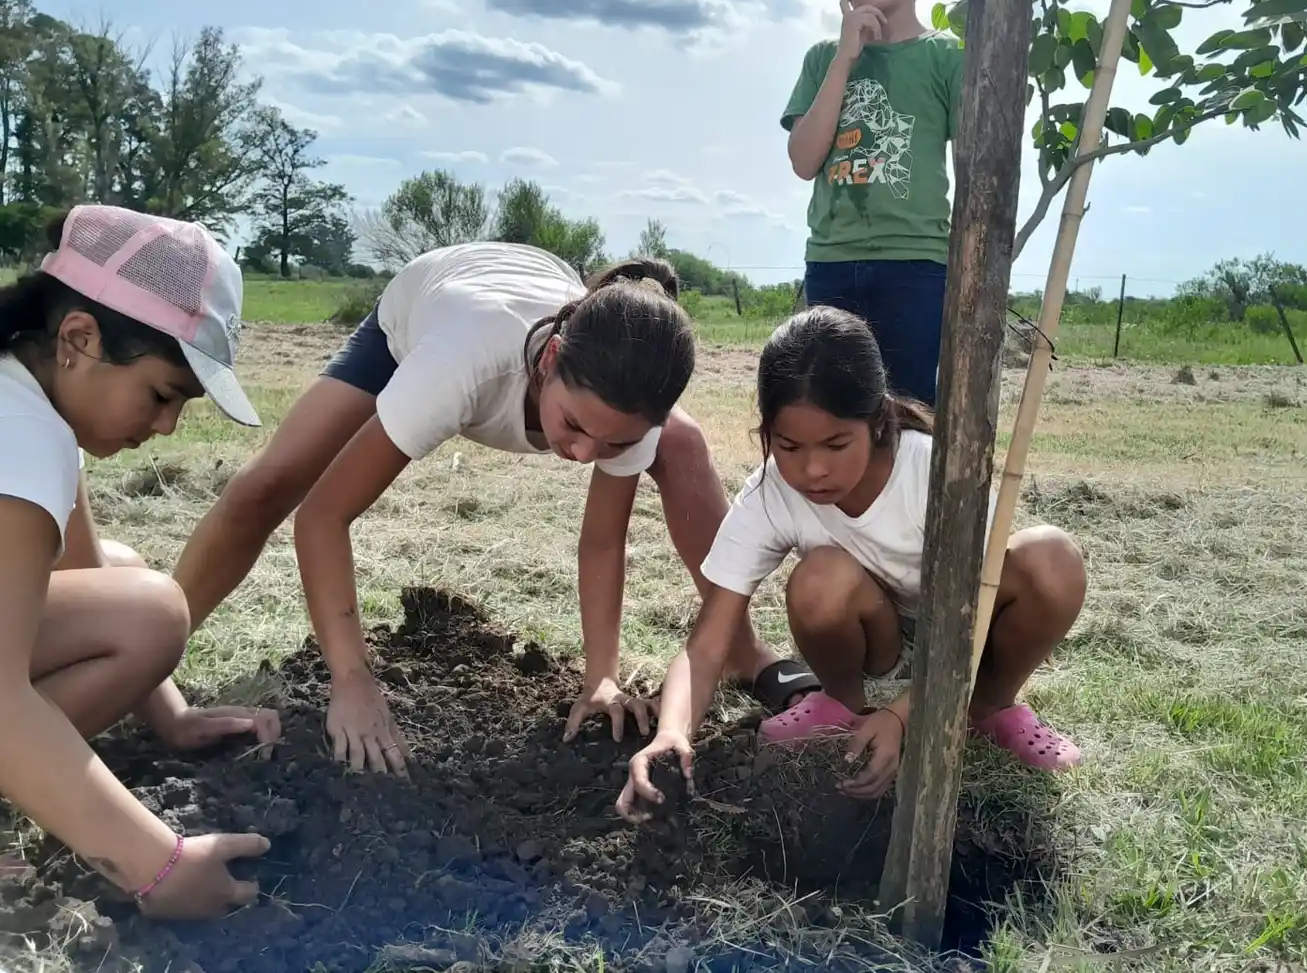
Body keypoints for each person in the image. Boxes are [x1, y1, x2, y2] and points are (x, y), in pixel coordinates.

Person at [172, 241, 816, 777]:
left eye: (614, 443)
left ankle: (741, 651)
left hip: (531, 286)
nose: (583, 452)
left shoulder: (627, 413)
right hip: (431, 305)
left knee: (685, 444)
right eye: (574, 425)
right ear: (554, 359)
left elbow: (601, 542)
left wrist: (601, 678)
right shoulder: (456, 368)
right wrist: (351, 677)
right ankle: (153, 650)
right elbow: (322, 516)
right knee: (270, 485)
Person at [617, 307, 1086, 820]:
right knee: (819, 578)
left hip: (965, 629)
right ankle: (842, 704)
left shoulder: (933, 472)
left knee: (1051, 558)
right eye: (790, 446)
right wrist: (671, 731)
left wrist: (903, 716)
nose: (813, 470)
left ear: (878, 420)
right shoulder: (773, 495)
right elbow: (707, 645)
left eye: (836, 444)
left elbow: (967, 621)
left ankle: (988, 706)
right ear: (766, 431)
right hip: (878, 637)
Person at [0, 204, 281, 918]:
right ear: (78, 336)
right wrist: (158, 866)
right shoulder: (22, 435)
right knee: (152, 603)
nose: (165, 426)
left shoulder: (26, 392)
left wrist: (172, 715)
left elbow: (84, 574)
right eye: (161, 394)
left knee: (129, 579)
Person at [782, 0, 965, 410]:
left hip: (913, 264)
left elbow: (980, 164)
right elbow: (803, 160)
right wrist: (845, 56)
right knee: (830, 409)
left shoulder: (945, 57)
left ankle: (907, 494)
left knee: (906, 414)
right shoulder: (823, 58)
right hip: (832, 260)